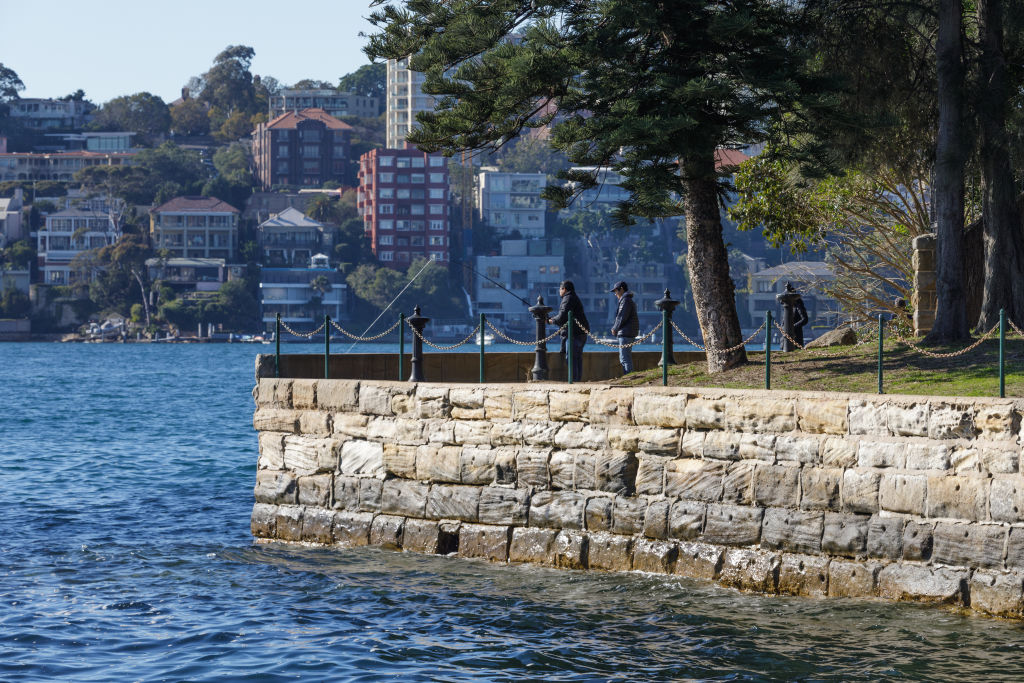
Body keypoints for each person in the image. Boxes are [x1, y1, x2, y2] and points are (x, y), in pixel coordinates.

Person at [548, 280, 589, 382]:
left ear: (564, 289)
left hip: (574, 334)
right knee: (577, 358)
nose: (559, 291)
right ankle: (577, 380)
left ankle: (573, 380)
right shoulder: (573, 297)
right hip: (581, 332)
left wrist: (551, 321)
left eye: (560, 289)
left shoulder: (568, 298)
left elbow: (562, 316)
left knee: (571, 358)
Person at [610, 280, 639, 374]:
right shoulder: (627, 300)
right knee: (626, 357)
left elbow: (621, 316)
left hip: (626, 333)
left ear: (621, 289)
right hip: (629, 332)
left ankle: (629, 378)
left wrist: (615, 328)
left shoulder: (625, 300)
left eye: (616, 291)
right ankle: (629, 377)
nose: (615, 294)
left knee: (624, 358)